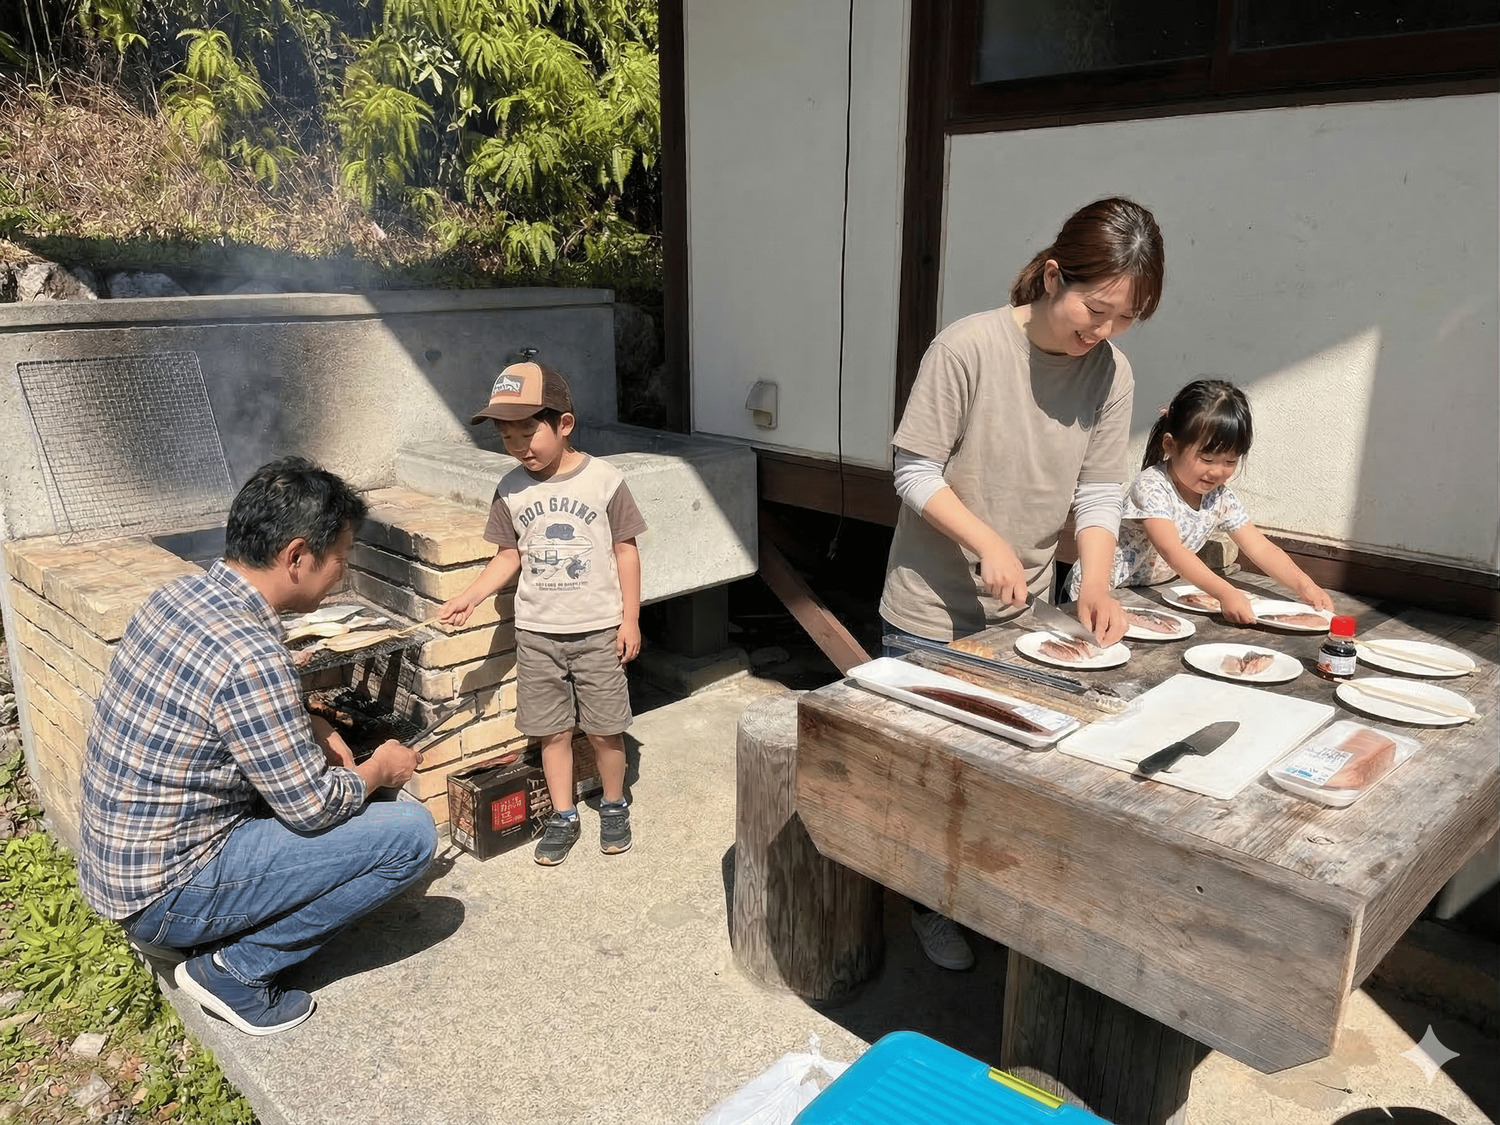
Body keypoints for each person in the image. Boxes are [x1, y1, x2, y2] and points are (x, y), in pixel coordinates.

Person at [880, 197, 1164, 971]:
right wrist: (987, 539)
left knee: (1003, 779)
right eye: (1095, 307)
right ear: (1051, 275)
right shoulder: (968, 346)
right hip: (929, 610)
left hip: (1026, 613)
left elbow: (1101, 492)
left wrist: (1095, 581)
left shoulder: (1111, 374)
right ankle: (924, 905)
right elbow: (913, 469)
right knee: (930, 779)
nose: (1100, 329)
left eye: (1124, 317)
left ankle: (979, 901)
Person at [77, 457, 437, 1036]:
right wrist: (378, 769)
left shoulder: (178, 597)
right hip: (165, 896)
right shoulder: (251, 656)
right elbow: (316, 808)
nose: (342, 575)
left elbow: (231, 705)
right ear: (297, 556)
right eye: (340, 559)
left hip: (120, 873)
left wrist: (307, 715)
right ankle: (236, 972)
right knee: (409, 836)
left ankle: (217, 931)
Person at [439, 361, 646, 866]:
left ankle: (614, 804)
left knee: (604, 727)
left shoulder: (605, 480)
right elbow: (508, 556)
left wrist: (631, 619)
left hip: (598, 631)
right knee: (550, 730)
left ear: (564, 424)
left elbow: (626, 551)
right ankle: (563, 814)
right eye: (507, 437)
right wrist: (470, 594)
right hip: (536, 635)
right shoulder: (510, 489)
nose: (518, 447)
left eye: (529, 432)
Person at [1063, 378, 1333, 619]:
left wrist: (1304, 585)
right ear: (1170, 445)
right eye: (1206, 458)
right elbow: (1172, 550)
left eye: (1230, 461)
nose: (1217, 471)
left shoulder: (1219, 498)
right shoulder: (1151, 486)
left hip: (1150, 595)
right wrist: (1225, 592)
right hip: (1101, 592)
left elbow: (1260, 548)